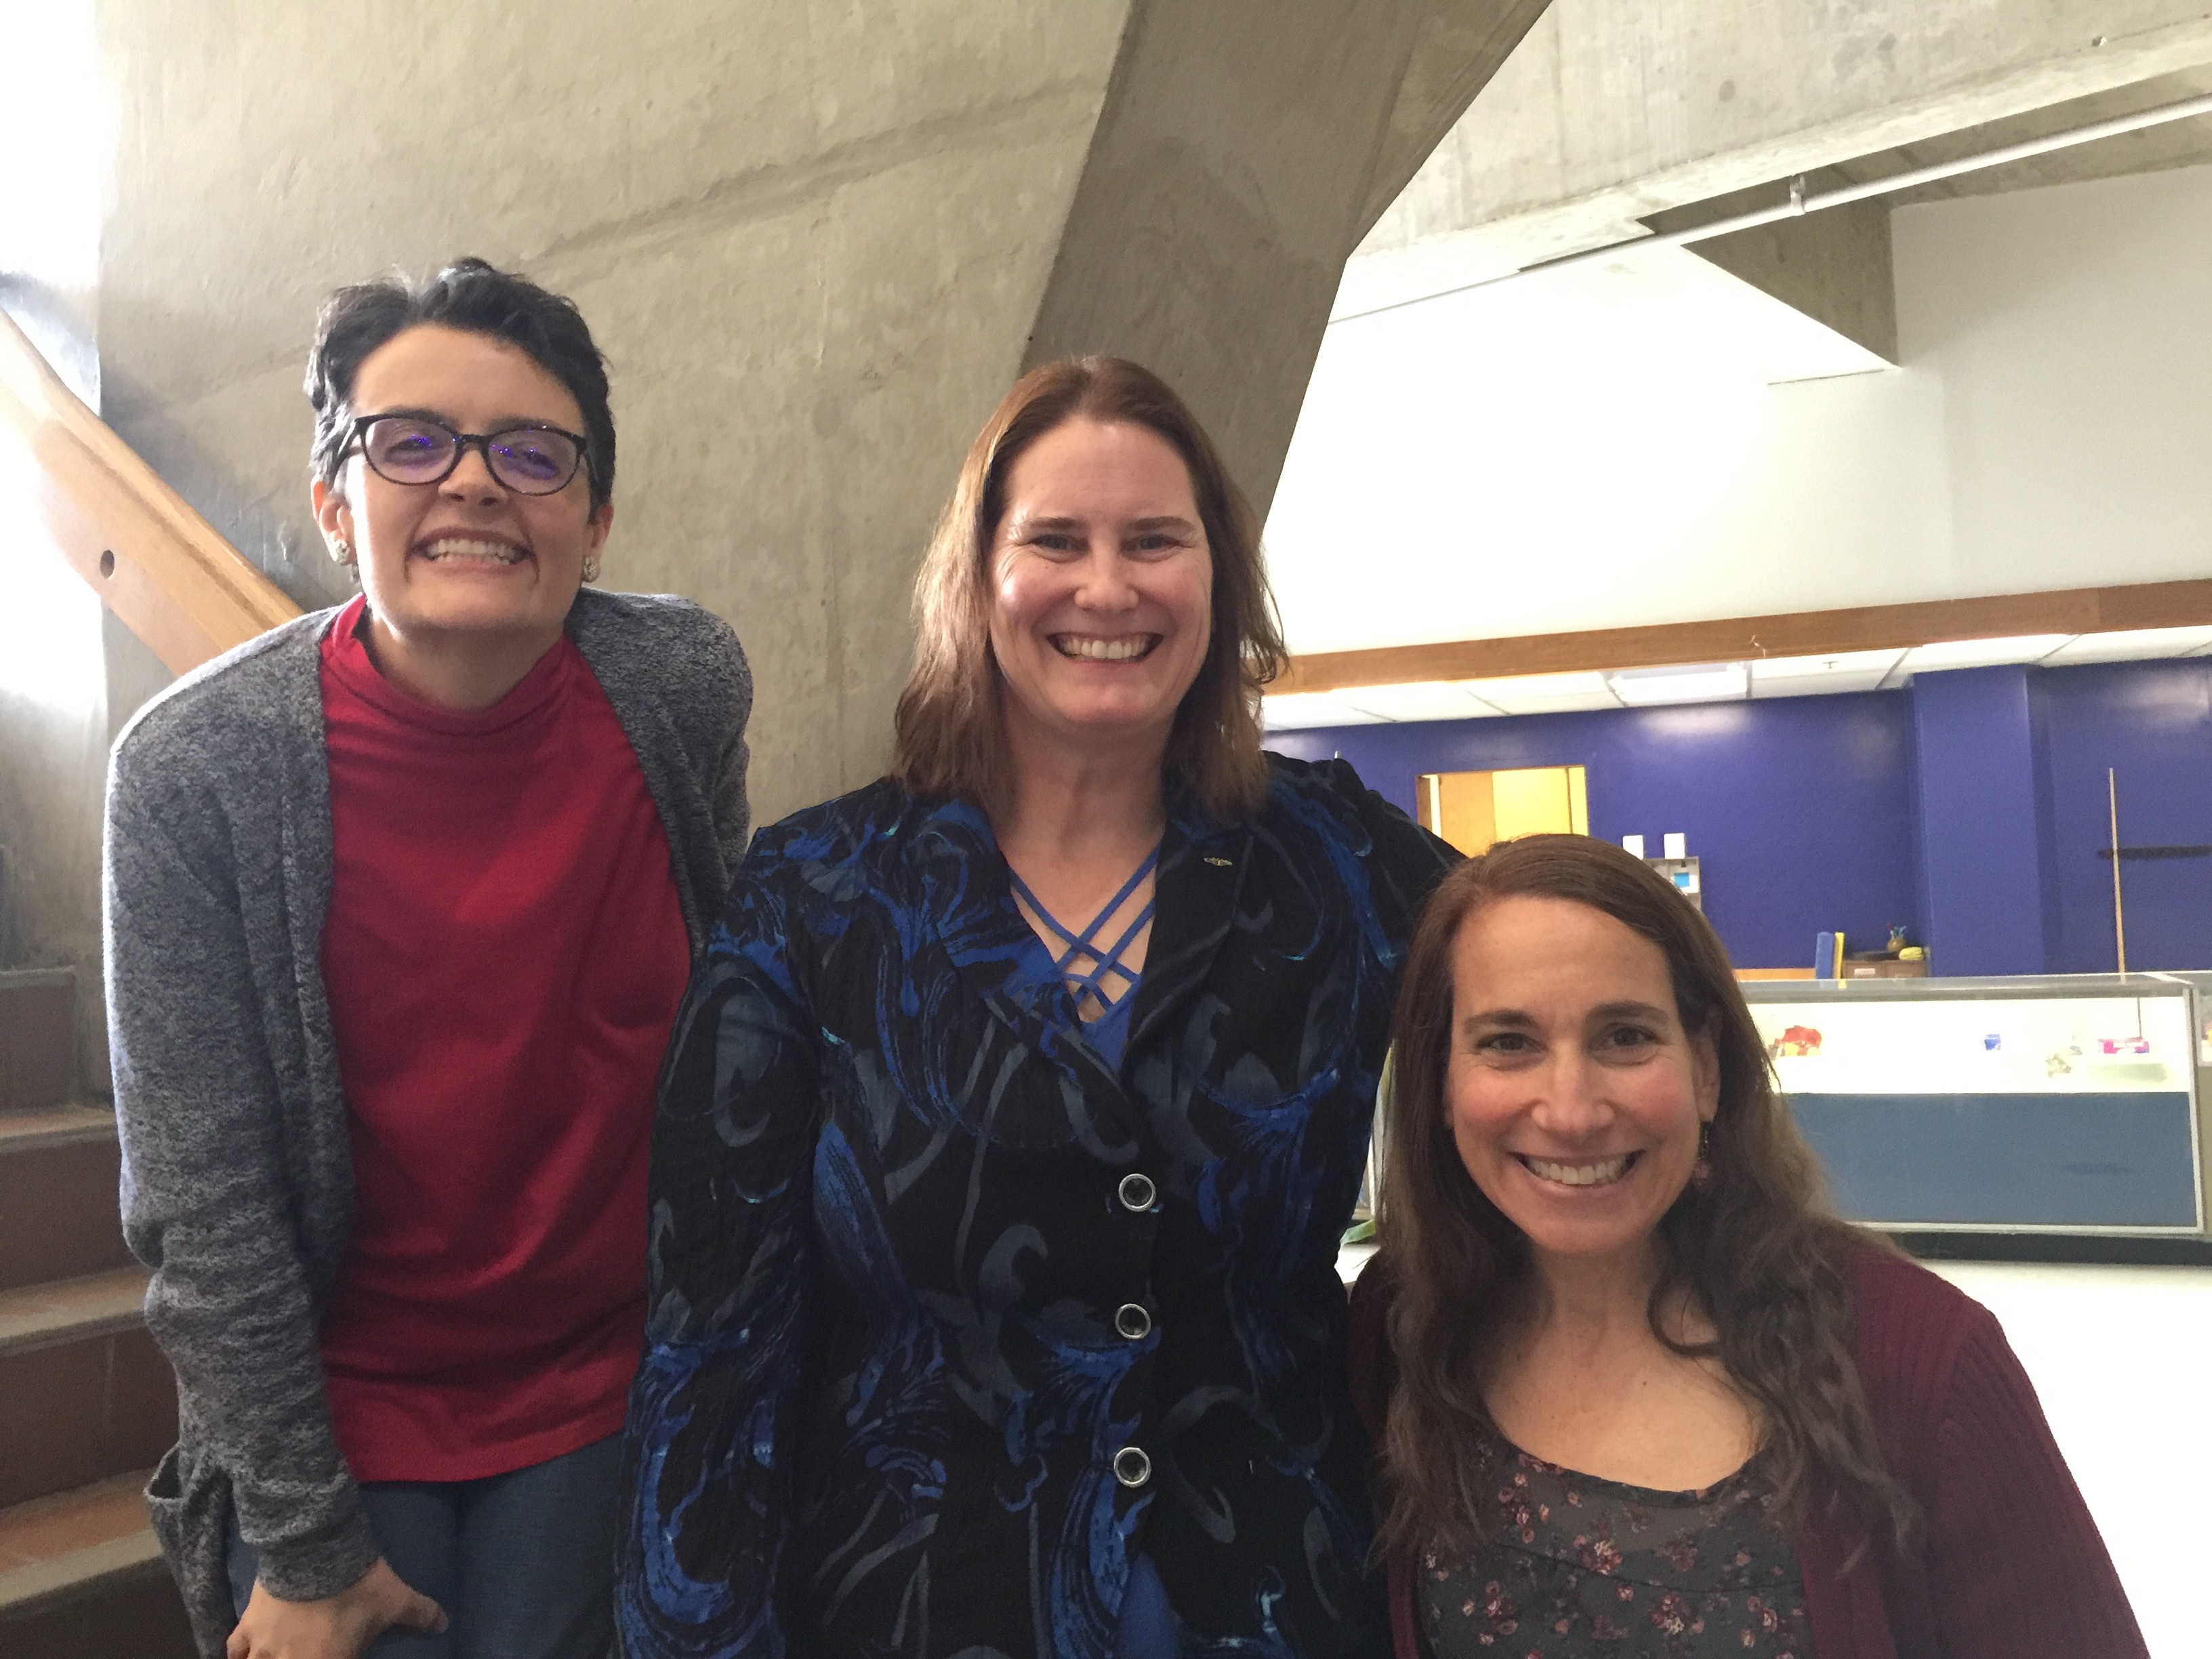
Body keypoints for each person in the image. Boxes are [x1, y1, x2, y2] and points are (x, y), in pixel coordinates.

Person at [617, 355, 1456, 1658]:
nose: (1106, 586)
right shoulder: (814, 897)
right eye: (1054, 540)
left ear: (1217, 581)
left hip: (1276, 1601)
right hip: (913, 1604)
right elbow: (711, 1343)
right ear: (978, 578)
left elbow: (1587, 995)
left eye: (1154, 542)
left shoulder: (1338, 865)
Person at [106, 258, 753, 1659]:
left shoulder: (679, 690)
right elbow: (203, 1211)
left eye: (532, 453)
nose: (472, 483)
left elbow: (735, 1040)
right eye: (410, 443)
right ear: (336, 502)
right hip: (334, 1408)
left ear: (597, 515)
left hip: (605, 1392)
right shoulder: (194, 772)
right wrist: (306, 1544)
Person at [1347, 834, 2147, 1658]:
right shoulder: (1402, 1328)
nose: (1571, 1110)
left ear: (1706, 1069)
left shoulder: (1916, 1359)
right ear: (1440, 1084)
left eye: (1624, 1036)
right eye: (1507, 1043)